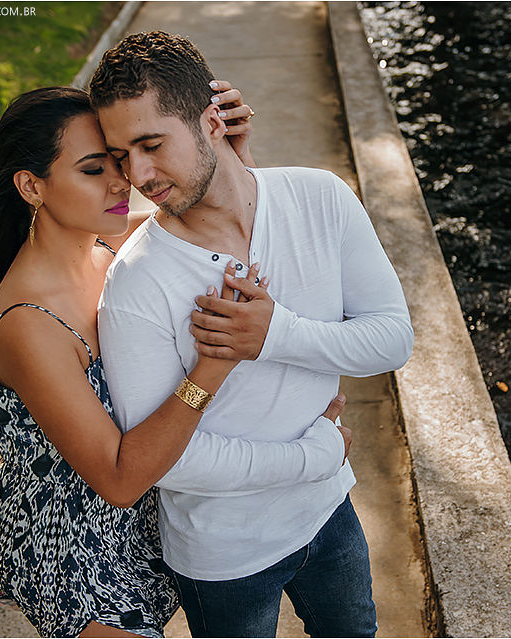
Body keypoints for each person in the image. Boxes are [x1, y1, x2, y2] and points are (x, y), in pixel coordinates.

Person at [0, 82, 351, 638]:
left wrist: (232, 158)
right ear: (31, 186)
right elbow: (119, 481)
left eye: (119, 161)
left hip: (150, 528)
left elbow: (226, 234)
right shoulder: (29, 325)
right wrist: (212, 364)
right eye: (94, 169)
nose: (125, 181)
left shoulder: (114, 244)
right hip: (78, 555)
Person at [91, 32, 414, 638]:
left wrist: (275, 335)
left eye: (151, 144)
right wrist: (311, 457)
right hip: (224, 555)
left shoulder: (321, 197)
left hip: (328, 512)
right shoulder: (136, 282)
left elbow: (392, 339)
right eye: (121, 155)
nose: (138, 174)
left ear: (212, 120)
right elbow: (169, 461)